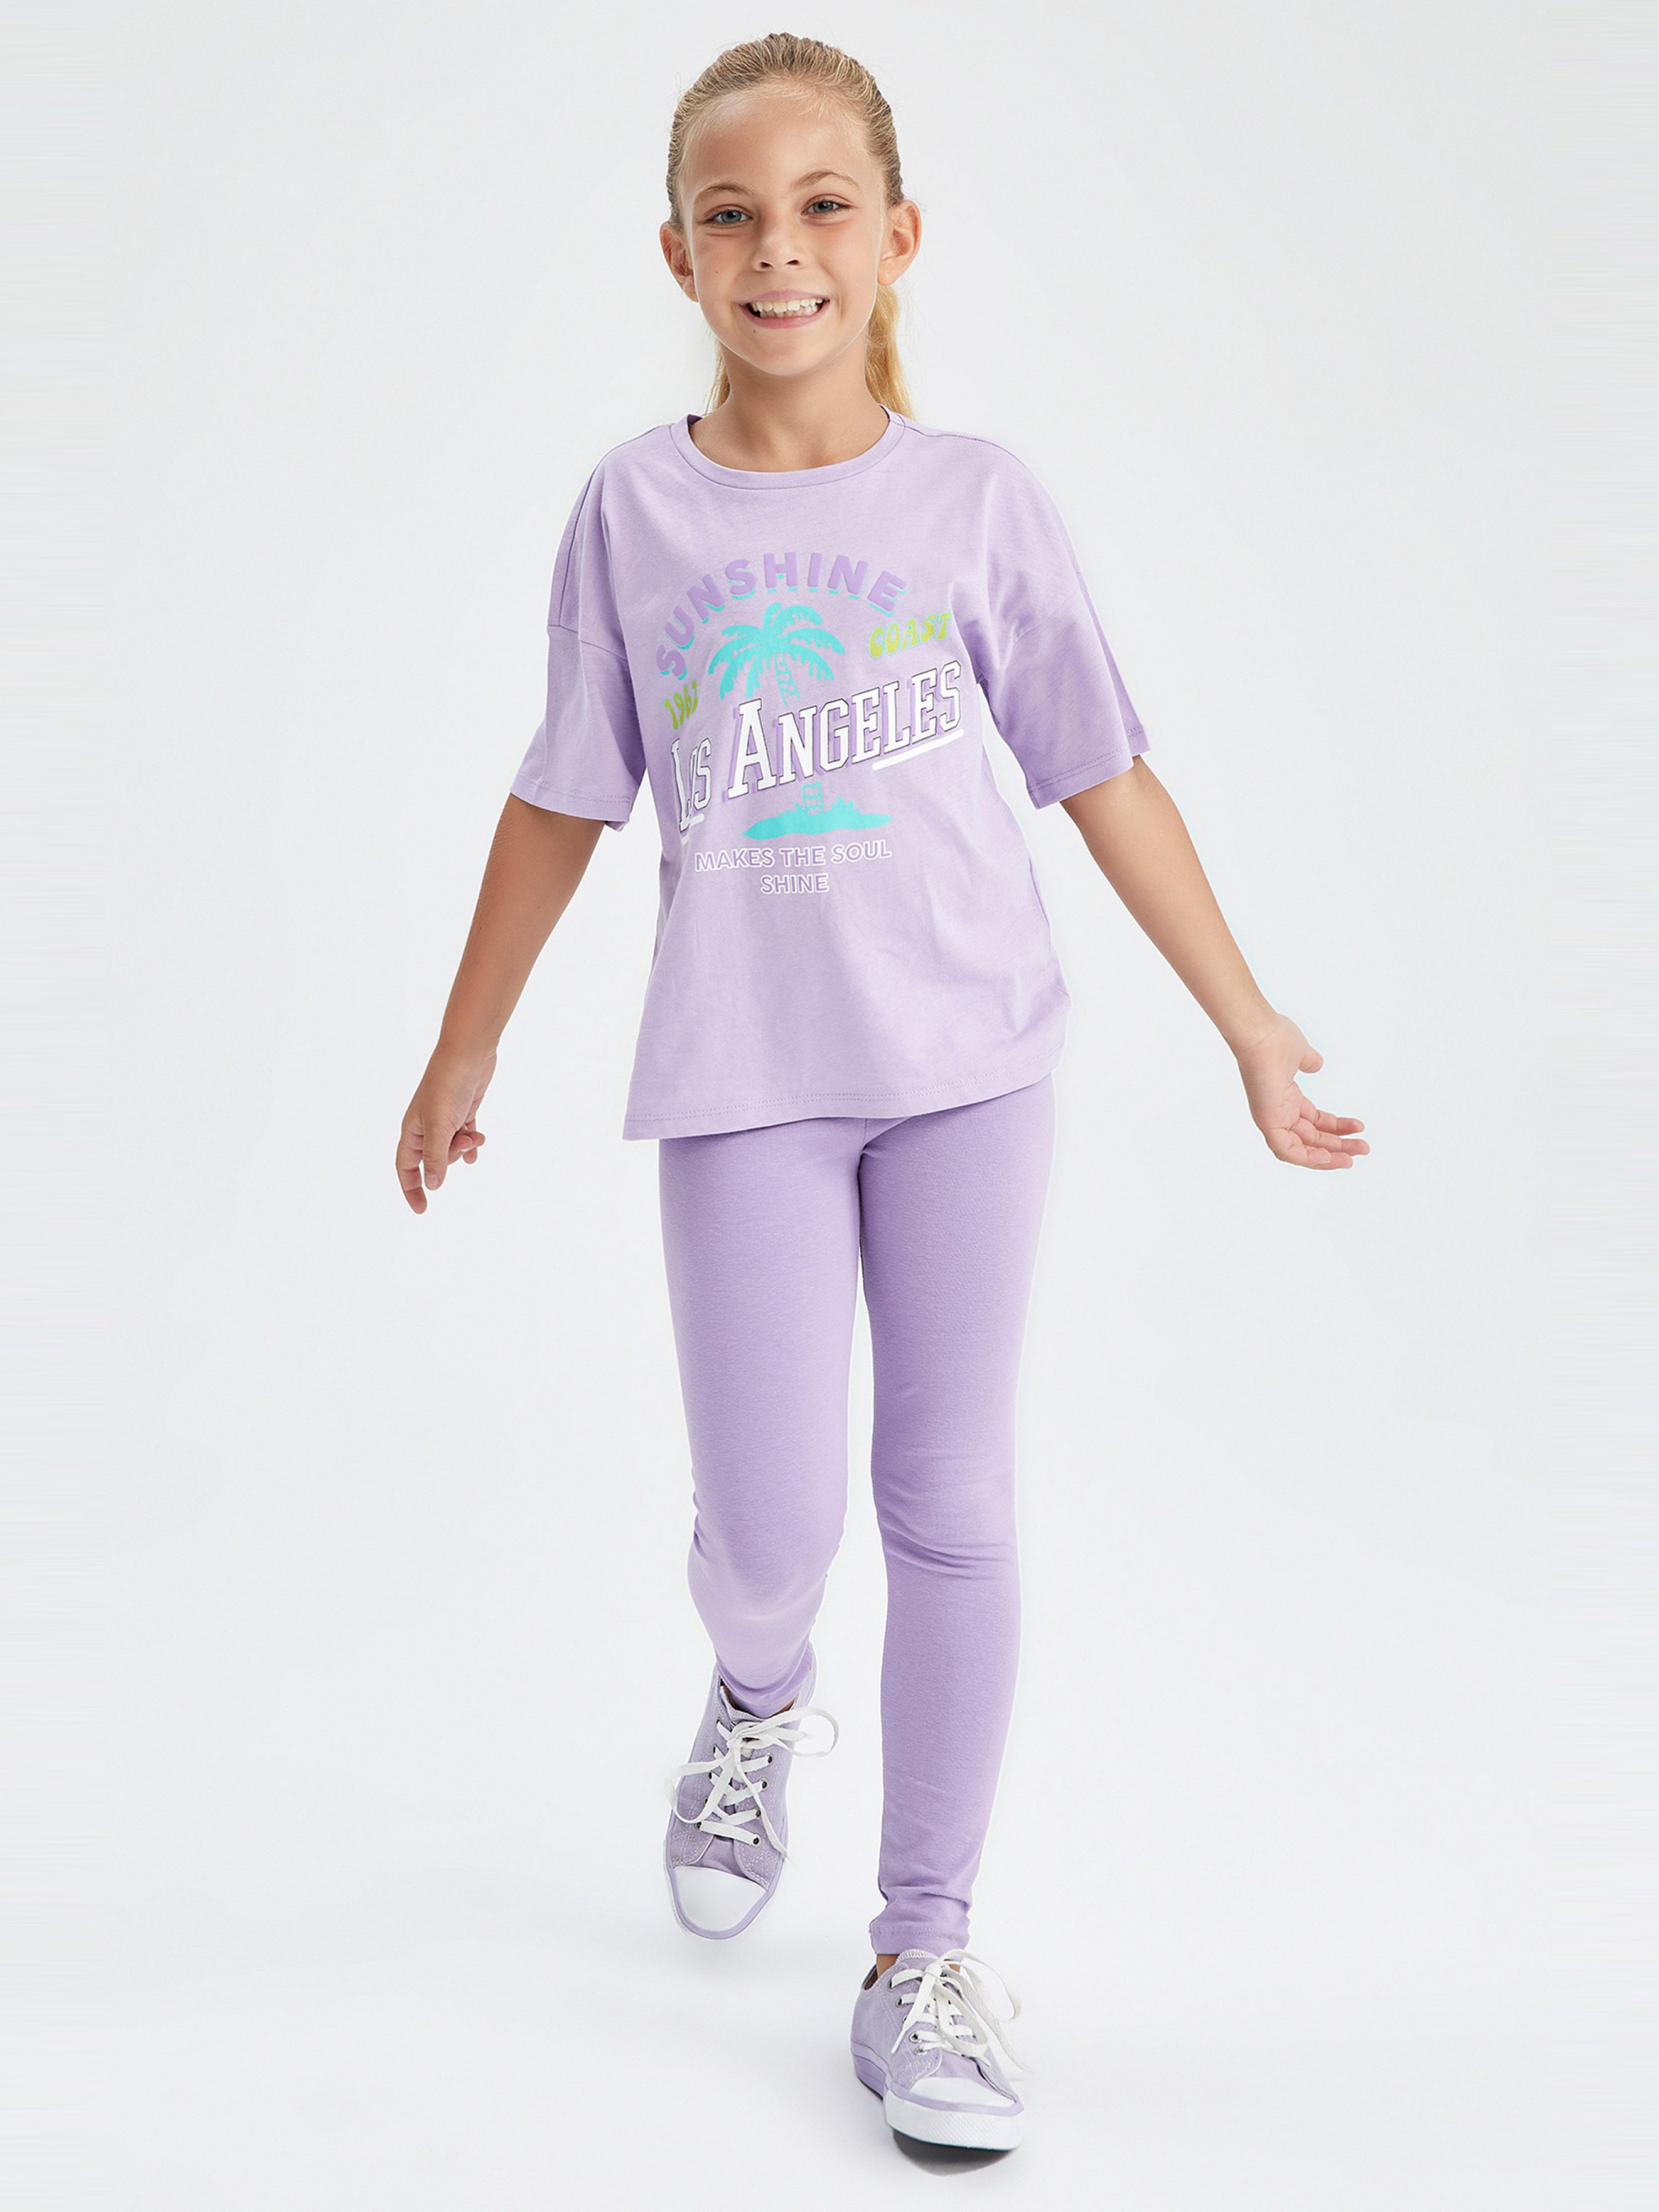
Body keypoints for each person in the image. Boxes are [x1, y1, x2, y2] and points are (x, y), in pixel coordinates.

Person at [395, 31, 1368, 2155]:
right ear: (675, 253)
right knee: (771, 1533)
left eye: (823, 206)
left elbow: (1102, 770)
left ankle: (921, 1946)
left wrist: (1245, 1017)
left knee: (952, 1505)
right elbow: (564, 790)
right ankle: (756, 1693)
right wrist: (467, 1039)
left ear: (897, 235)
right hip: (745, 1080)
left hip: (967, 1070)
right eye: (732, 214)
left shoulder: (979, 500)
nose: (781, 250)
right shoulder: (635, 509)